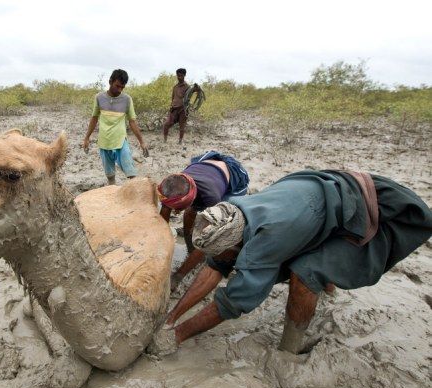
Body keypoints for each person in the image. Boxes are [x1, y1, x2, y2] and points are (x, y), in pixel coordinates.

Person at [161, 170, 432, 354]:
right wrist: (172, 318)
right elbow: (214, 267)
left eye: (224, 256)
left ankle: (288, 352)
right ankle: (327, 285)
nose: (221, 262)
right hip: (325, 201)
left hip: (379, 210)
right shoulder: (236, 209)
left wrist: (176, 336)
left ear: (235, 246)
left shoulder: (265, 240)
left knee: (304, 273)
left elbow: (233, 301)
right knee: (306, 247)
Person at [158, 151, 249, 290]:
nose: (175, 212)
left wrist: (177, 276)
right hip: (206, 166)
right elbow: (162, 220)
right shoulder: (172, 186)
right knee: (189, 214)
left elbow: (208, 240)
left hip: (231, 180)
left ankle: (188, 263)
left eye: (177, 209)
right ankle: (189, 244)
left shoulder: (211, 197)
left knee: (213, 233)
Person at [83, 69, 149, 185]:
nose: (120, 90)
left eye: (122, 87)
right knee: (110, 176)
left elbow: (132, 122)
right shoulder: (99, 98)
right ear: (110, 81)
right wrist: (86, 138)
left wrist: (142, 142)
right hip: (104, 142)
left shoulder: (127, 100)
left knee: (131, 173)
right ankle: (112, 194)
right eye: (117, 86)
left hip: (120, 141)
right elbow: (94, 118)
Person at [163, 68, 189, 144]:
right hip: (174, 109)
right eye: (178, 76)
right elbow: (173, 98)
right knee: (166, 124)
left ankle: (180, 141)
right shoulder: (175, 87)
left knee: (182, 127)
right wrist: (171, 106)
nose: (179, 77)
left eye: (181, 76)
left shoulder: (187, 87)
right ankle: (165, 140)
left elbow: (189, 98)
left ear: (184, 75)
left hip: (183, 110)